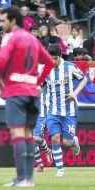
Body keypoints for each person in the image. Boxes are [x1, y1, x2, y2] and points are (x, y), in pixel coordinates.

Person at [0, 6, 55, 187]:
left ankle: (21, 178)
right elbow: (50, 63)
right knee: (28, 135)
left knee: (18, 133)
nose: (0, 23)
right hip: (31, 92)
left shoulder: (10, 37)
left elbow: (2, 60)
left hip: (15, 91)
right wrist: (37, 83)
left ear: (12, 21)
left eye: (3, 20)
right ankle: (28, 179)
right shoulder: (32, 39)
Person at [43, 44, 87, 177]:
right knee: (55, 138)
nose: (53, 61)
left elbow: (84, 79)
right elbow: (41, 85)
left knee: (66, 142)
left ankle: (74, 141)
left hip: (69, 111)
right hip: (53, 111)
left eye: (55, 58)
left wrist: (75, 93)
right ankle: (60, 170)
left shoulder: (70, 67)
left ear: (60, 56)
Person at [33, 65, 53, 173]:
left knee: (35, 137)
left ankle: (47, 150)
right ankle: (40, 165)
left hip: (40, 111)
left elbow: (43, 86)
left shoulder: (40, 74)